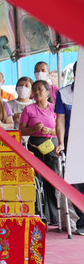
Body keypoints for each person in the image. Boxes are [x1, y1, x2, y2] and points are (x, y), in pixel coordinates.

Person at [20, 79, 60, 226]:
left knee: (52, 180)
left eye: (40, 90)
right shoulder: (28, 110)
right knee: (37, 181)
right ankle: (40, 213)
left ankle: (54, 215)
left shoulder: (54, 109)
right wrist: (33, 130)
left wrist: (50, 131)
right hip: (34, 145)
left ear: (47, 93)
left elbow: (61, 130)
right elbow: (21, 130)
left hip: (52, 145)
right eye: (34, 89)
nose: (36, 92)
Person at [54, 62, 84, 235]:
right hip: (72, 141)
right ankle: (82, 220)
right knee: (75, 183)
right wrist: (61, 143)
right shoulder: (64, 93)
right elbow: (60, 120)